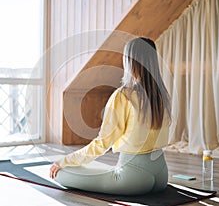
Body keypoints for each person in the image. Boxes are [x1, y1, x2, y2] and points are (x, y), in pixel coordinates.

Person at [50, 37, 171, 195]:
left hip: (134, 179)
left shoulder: (123, 95)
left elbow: (102, 143)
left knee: (61, 173)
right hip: (161, 174)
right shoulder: (161, 95)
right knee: (92, 169)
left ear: (130, 62)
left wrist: (63, 161)